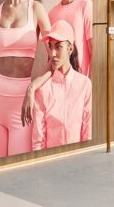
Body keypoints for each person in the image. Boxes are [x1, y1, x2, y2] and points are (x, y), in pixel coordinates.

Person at [21, 0, 94, 126]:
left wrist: (89, 88)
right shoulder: (51, 14)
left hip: (79, 88)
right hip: (57, 89)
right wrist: (32, 86)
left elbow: (94, 52)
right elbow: (52, 59)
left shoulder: (85, 5)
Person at [0, 0, 51, 158]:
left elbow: (56, 59)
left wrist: (33, 87)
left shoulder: (36, 9)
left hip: (22, 102)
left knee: (16, 165)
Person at [32, 20, 92, 150]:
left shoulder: (85, 85)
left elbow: (87, 133)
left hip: (78, 158)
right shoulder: (43, 89)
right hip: (51, 160)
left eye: (58, 47)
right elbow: (38, 141)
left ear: (70, 49)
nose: (52, 53)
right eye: (50, 47)